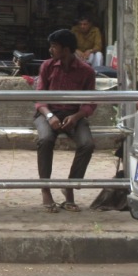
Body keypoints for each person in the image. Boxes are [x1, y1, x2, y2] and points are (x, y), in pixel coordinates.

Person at [34, 28, 97, 213]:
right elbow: (39, 98)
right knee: (45, 140)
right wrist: (49, 116)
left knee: (87, 144)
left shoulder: (87, 71)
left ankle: (69, 187)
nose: (50, 50)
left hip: (74, 115)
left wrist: (76, 117)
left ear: (67, 50)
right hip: (48, 113)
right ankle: (45, 189)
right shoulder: (47, 66)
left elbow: (90, 102)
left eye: (54, 47)